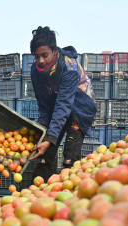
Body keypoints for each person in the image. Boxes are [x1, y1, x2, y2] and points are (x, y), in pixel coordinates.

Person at [29, 26, 97, 181]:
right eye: (37, 56)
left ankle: (69, 188)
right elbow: (43, 103)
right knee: (45, 153)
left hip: (80, 107)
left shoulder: (68, 66)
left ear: (54, 51)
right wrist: (44, 131)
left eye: (44, 55)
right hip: (57, 105)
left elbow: (64, 104)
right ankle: (40, 192)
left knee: (69, 156)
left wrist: (51, 137)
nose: (41, 60)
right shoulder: (35, 70)